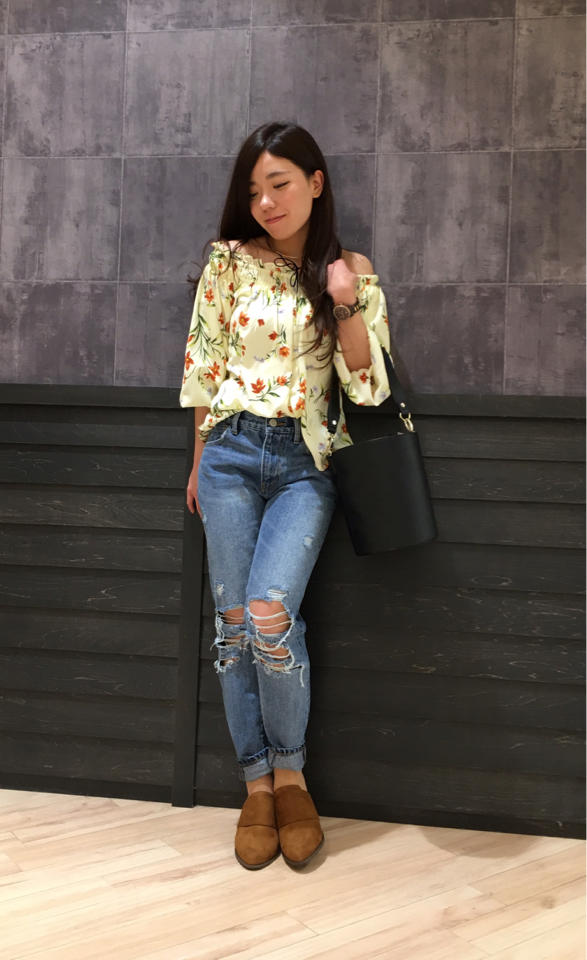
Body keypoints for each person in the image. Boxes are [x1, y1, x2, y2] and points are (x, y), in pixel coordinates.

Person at [179, 121, 392, 870]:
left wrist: (345, 302)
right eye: (254, 190)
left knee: (270, 616)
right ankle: (256, 786)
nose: (266, 202)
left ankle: (292, 774)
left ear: (315, 183)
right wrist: (199, 462)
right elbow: (204, 367)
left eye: (280, 184)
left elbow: (368, 387)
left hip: (306, 464)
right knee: (233, 625)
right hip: (230, 453)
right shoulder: (227, 262)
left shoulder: (350, 271)